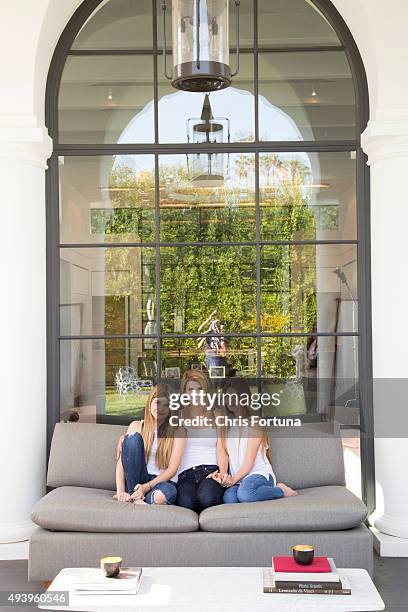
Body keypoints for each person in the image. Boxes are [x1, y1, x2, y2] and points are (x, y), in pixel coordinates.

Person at [209, 378, 297, 503]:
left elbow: (249, 462)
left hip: (259, 475)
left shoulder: (254, 423)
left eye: (235, 396)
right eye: (227, 397)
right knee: (229, 498)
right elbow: (222, 451)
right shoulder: (227, 425)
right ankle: (251, 492)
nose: (231, 401)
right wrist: (224, 475)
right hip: (240, 480)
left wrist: (233, 480)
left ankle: (281, 490)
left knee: (245, 494)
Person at [115, 384, 186, 504]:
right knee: (133, 439)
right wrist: (120, 491)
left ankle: (137, 497)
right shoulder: (136, 426)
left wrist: (146, 487)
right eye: (157, 403)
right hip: (138, 478)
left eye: (166, 405)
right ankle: (136, 496)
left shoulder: (178, 431)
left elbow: (172, 469)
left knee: (168, 493)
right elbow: (122, 462)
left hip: (162, 482)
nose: (161, 408)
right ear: (149, 403)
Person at [175, 369, 225, 512]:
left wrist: (221, 473)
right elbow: (152, 427)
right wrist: (126, 436)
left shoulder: (217, 414)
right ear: (184, 392)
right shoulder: (177, 416)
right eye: (190, 389)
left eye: (199, 389)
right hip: (185, 474)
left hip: (211, 471)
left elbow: (222, 447)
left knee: (207, 497)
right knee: (186, 503)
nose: (195, 394)